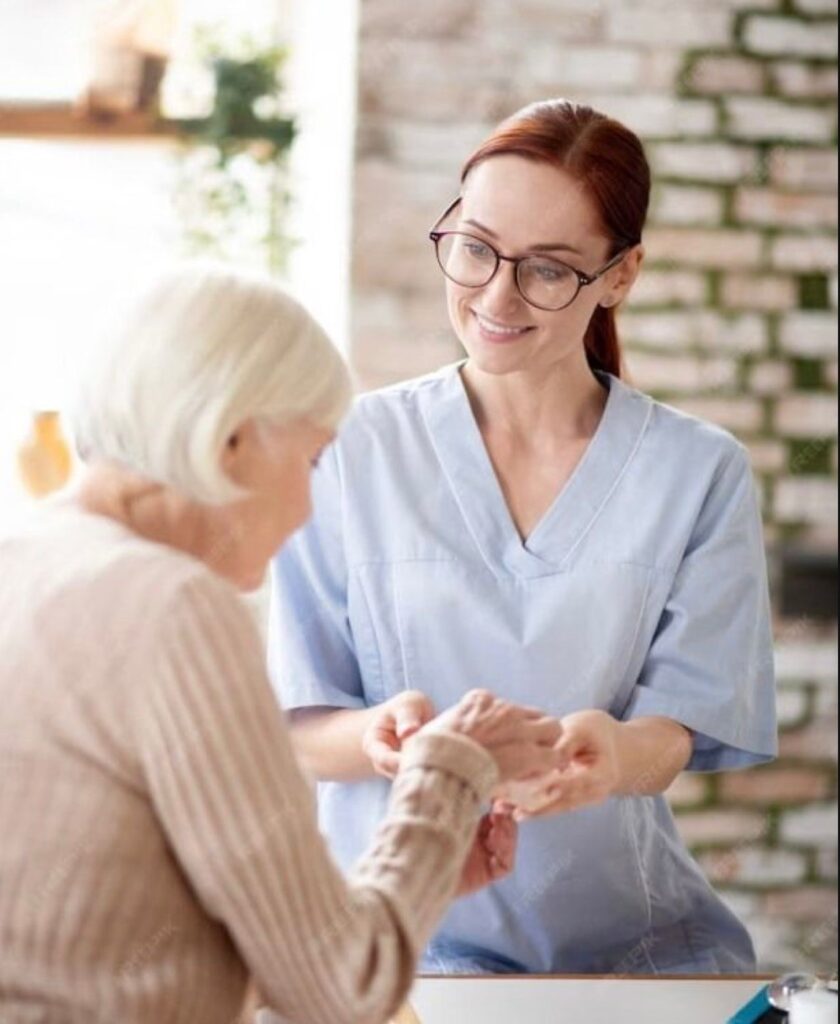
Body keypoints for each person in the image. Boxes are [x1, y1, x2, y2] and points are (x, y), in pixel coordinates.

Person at [269, 99, 779, 976]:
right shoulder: (347, 450)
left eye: (548, 269)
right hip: (397, 950)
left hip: (628, 957)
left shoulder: (698, 471)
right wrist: (385, 739)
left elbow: (680, 728)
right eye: (474, 248)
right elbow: (294, 723)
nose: (496, 296)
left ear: (620, 275)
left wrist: (613, 754)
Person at [0, 264, 568, 1024]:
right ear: (230, 439)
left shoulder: (28, 559)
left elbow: (131, 932)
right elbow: (342, 991)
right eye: (310, 460)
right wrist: (452, 771)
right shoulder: (172, 605)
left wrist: (420, 869)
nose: (307, 505)